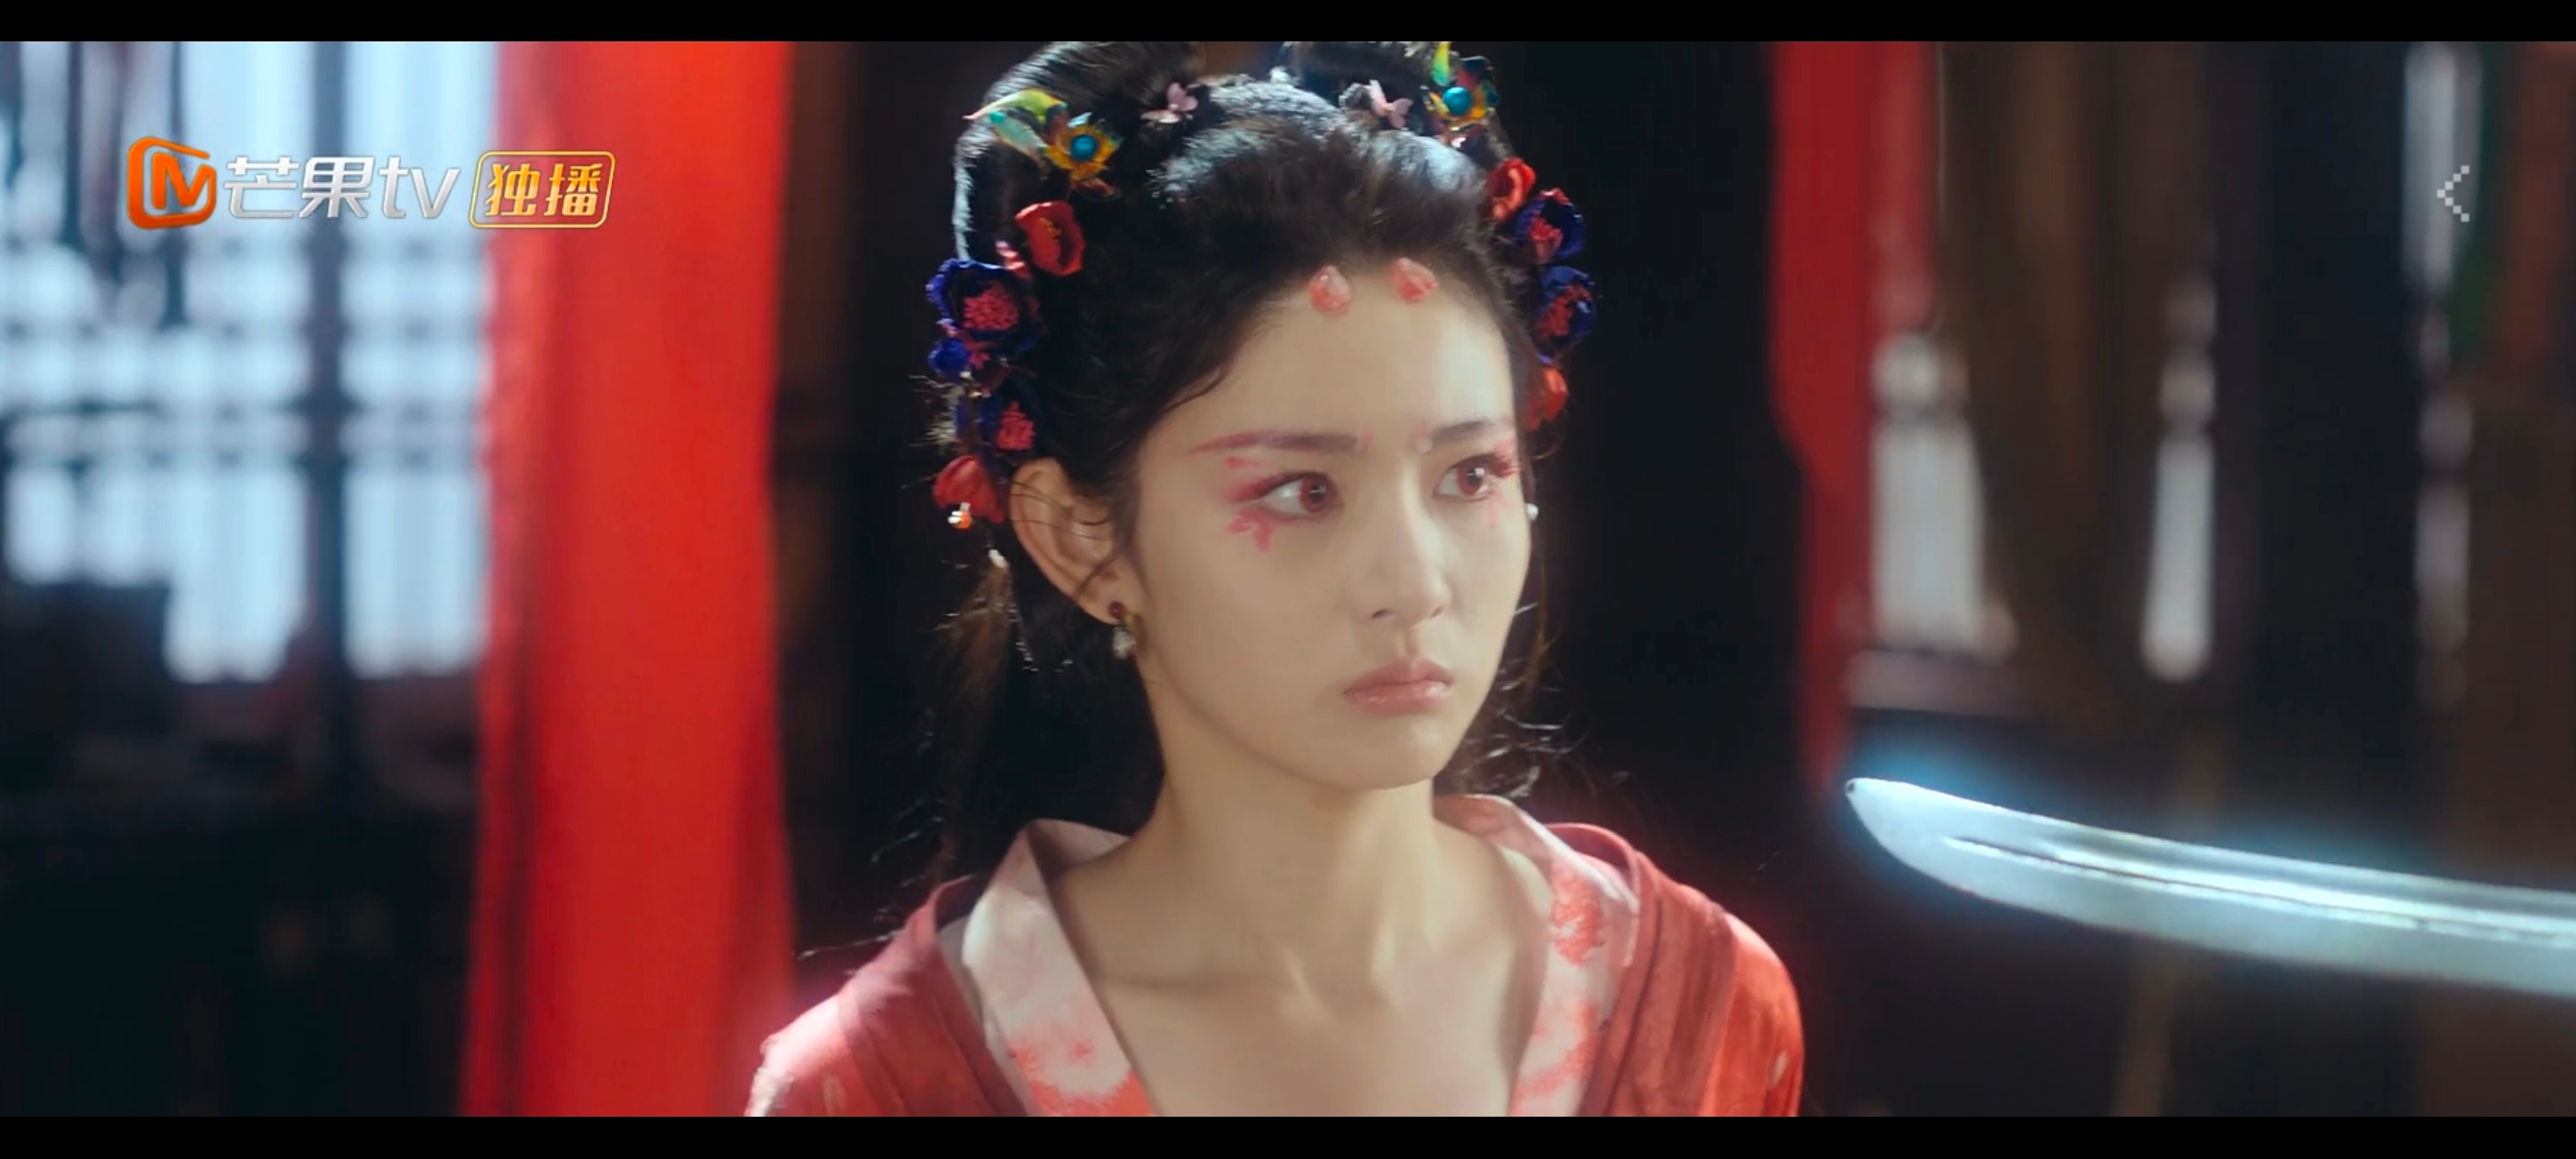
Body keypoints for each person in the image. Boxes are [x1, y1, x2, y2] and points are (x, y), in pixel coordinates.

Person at [748, 40, 1801, 1117]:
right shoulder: (886, 1084)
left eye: (1470, 474)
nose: (1414, 583)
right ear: (1079, 539)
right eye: (1302, 492)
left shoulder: (1697, 1010)